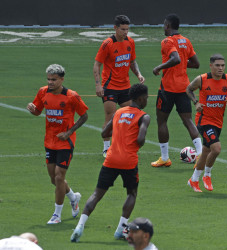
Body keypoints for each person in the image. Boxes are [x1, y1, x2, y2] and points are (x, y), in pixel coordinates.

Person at [71, 84, 150, 243]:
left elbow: (104, 133)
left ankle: (79, 226)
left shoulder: (119, 112)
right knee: (131, 193)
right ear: (140, 98)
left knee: (97, 194)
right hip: (128, 160)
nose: (147, 100)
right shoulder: (144, 116)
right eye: (146, 98)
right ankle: (121, 229)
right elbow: (141, 139)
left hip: (111, 159)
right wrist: (133, 144)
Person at [26, 64, 88, 224]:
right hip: (49, 140)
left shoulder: (71, 96)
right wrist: (32, 109)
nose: (50, 82)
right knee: (54, 179)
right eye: (48, 79)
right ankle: (73, 198)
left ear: (61, 79)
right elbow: (38, 111)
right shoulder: (42, 92)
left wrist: (68, 132)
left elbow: (84, 116)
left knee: (60, 177)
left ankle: (57, 215)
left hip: (65, 142)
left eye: (53, 79)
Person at [151, 13, 202, 167]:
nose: (163, 27)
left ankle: (165, 157)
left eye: (164, 24)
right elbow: (196, 63)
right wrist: (181, 66)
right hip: (184, 87)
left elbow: (176, 58)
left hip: (168, 89)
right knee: (188, 121)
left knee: (162, 121)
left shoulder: (167, 41)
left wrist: (159, 67)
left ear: (167, 25)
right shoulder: (186, 41)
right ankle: (200, 155)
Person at [186, 54, 227, 192]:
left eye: (222, 65)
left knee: (205, 152)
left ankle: (194, 180)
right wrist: (196, 102)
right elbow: (188, 89)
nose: (220, 68)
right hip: (204, 120)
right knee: (216, 149)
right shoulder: (202, 79)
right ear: (211, 66)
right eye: (217, 65)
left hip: (218, 122)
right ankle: (207, 176)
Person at [94, 14, 145, 158]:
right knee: (110, 116)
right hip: (109, 86)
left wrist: (139, 74)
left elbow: (132, 62)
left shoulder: (130, 42)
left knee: (128, 117)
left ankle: (124, 145)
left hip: (125, 87)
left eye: (127, 29)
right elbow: (97, 65)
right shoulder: (107, 44)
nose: (125, 32)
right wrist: (98, 85)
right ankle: (106, 148)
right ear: (115, 28)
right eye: (123, 29)